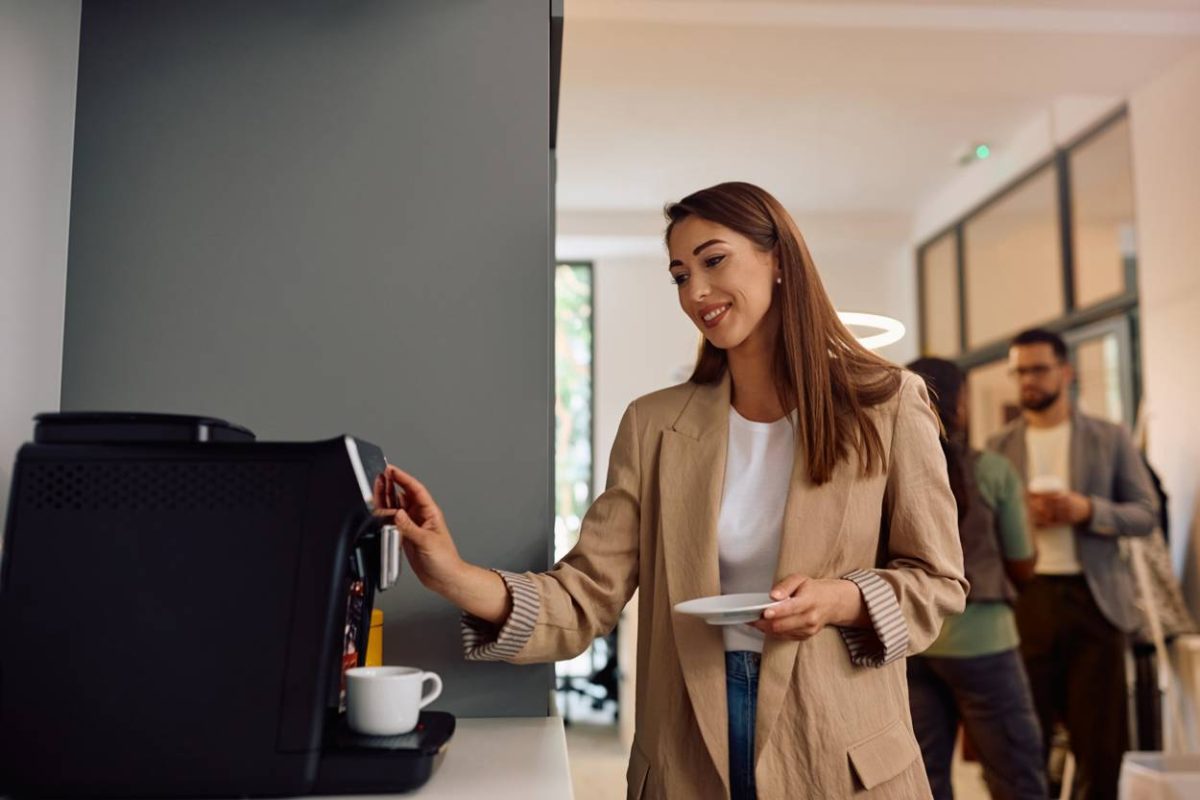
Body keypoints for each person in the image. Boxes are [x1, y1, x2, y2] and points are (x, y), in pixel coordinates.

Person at [378, 182, 967, 799]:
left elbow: (938, 581)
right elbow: (586, 597)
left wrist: (841, 599)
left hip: (840, 748)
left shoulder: (889, 404)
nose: (696, 293)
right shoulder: (653, 424)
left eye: (714, 261)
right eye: (680, 276)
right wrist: (449, 571)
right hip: (688, 742)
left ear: (780, 260)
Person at [988, 328, 1158, 800]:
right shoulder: (999, 446)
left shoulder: (1108, 437)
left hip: (1095, 601)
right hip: (1026, 600)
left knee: (1101, 746)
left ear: (1066, 373)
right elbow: (979, 527)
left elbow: (1146, 514)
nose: (1028, 380)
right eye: (1020, 371)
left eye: (1038, 369)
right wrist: (1017, 517)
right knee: (1024, 741)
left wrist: (1088, 510)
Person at [904, 357, 1046, 800]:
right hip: (983, 639)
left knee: (925, 778)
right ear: (960, 406)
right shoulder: (992, 470)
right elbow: (1022, 563)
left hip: (910, 642)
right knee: (1015, 773)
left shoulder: (886, 469)